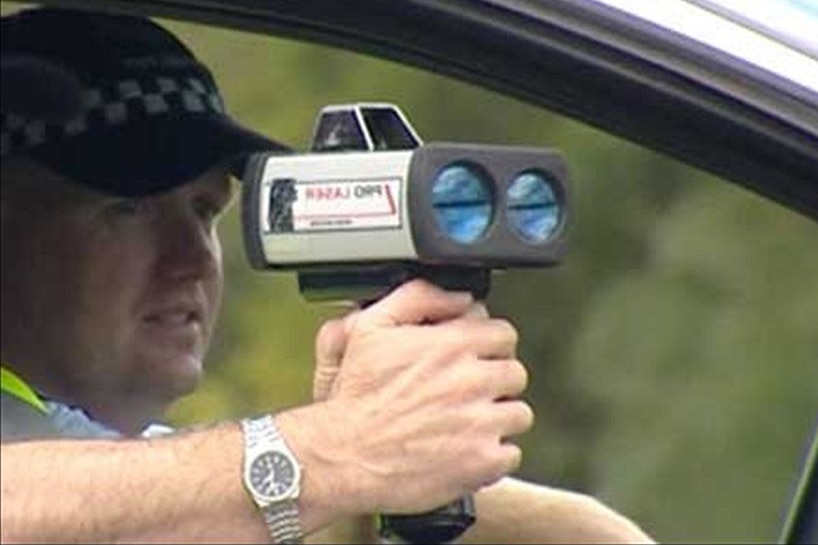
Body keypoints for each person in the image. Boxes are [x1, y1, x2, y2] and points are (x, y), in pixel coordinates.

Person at [0, 7, 653, 544]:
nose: (190, 256)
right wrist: (333, 451)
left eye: (205, 209)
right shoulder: (52, 487)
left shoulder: (144, 478)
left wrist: (387, 476)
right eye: (130, 206)